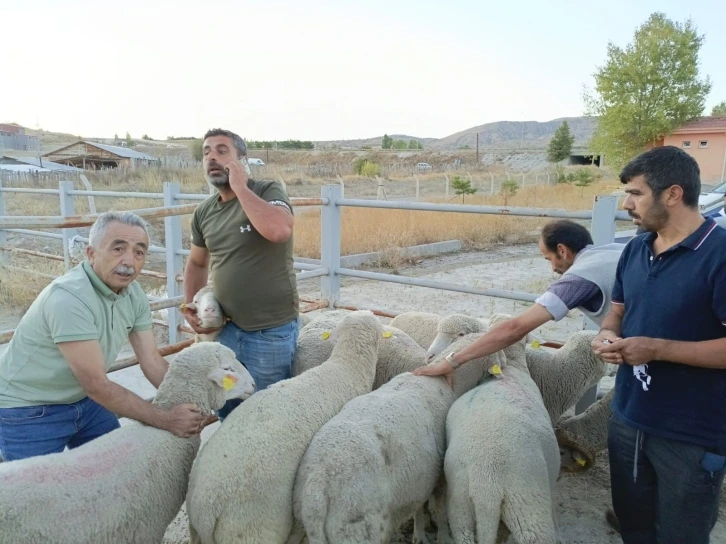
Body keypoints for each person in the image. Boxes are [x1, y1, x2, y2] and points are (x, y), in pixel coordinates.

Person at [592, 146, 726, 544]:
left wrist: (657, 349)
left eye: (635, 193)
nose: (627, 204)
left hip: (691, 433)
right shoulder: (635, 249)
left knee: (681, 535)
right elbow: (616, 313)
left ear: (672, 194)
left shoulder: (719, 255)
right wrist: (606, 336)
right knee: (634, 527)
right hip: (629, 419)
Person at [0, 212, 204, 462]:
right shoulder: (68, 299)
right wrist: (166, 419)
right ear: (91, 253)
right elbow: (97, 385)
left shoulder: (133, 293)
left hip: (84, 400)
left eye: (139, 252)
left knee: (115, 472)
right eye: (118, 248)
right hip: (29, 407)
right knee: (32, 495)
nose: (129, 261)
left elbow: (151, 359)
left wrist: (190, 402)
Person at [413, 219, 624, 384]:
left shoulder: (580, 277)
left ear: (562, 250)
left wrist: (452, 361)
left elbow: (516, 327)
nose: (552, 269)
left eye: (549, 259)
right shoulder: (614, 251)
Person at [183, 128, 299, 421]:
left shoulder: (267, 191)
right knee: (227, 408)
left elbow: (279, 230)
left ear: (241, 160)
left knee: (265, 417)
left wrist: (241, 187)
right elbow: (197, 263)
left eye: (222, 151)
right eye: (207, 152)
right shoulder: (204, 212)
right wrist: (191, 307)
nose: (212, 157)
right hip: (224, 331)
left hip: (269, 333)